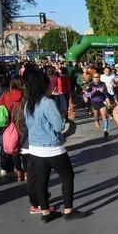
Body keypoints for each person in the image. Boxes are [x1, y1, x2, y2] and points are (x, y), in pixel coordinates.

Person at [24, 69, 84, 222]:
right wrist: (63, 116)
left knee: (41, 181)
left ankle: (45, 212)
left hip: (35, 149)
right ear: (44, 86)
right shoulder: (47, 102)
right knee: (67, 176)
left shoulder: (28, 104)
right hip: (52, 147)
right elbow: (58, 126)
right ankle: (68, 210)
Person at [0, 76, 24, 179]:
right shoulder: (25, 95)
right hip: (21, 124)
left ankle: (10, 170)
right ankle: (24, 172)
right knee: (22, 149)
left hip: (8, 125)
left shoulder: (6, 94)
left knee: (9, 147)